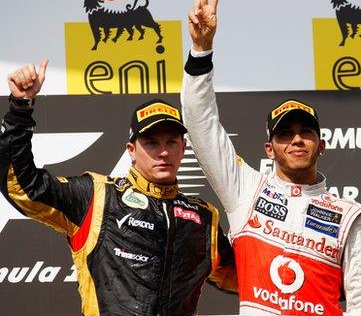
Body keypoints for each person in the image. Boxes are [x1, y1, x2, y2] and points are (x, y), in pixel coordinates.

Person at [180, 0, 361, 316]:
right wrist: (201, 51)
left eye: (306, 132)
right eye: (285, 134)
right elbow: (200, 122)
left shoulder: (349, 215)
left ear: (322, 145)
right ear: (269, 148)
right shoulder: (246, 190)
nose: (296, 140)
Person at [0, 60, 237, 316]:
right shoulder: (97, 196)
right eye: (152, 143)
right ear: (131, 151)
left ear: (183, 148)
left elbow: (240, 278)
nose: (164, 151)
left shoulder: (204, 218)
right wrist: (20, 108)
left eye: (171, 141)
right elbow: (22, 187)